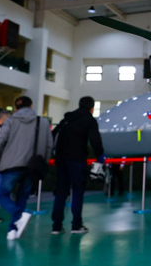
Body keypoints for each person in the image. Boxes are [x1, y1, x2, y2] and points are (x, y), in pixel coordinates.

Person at [0, 96, 53, 240]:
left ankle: (17, 220)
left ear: (15, 108)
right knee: (22, 197)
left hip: (12, 165)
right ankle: (13, 230)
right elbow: (49, 145)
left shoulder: (11, 120)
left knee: (1, 194)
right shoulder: (43, 122)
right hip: (33, 166)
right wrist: (43, 163)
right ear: (32, 105)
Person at [51, 96, 104, 235]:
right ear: (91, 108)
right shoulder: (89, 120)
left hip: (60, 159)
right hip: (77, 159)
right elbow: (95, 141)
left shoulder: (67, 119)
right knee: (77, 191)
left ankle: (56, 226)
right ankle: (76, 225)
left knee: (61, 192)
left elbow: (53, 135)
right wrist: (100, 156)